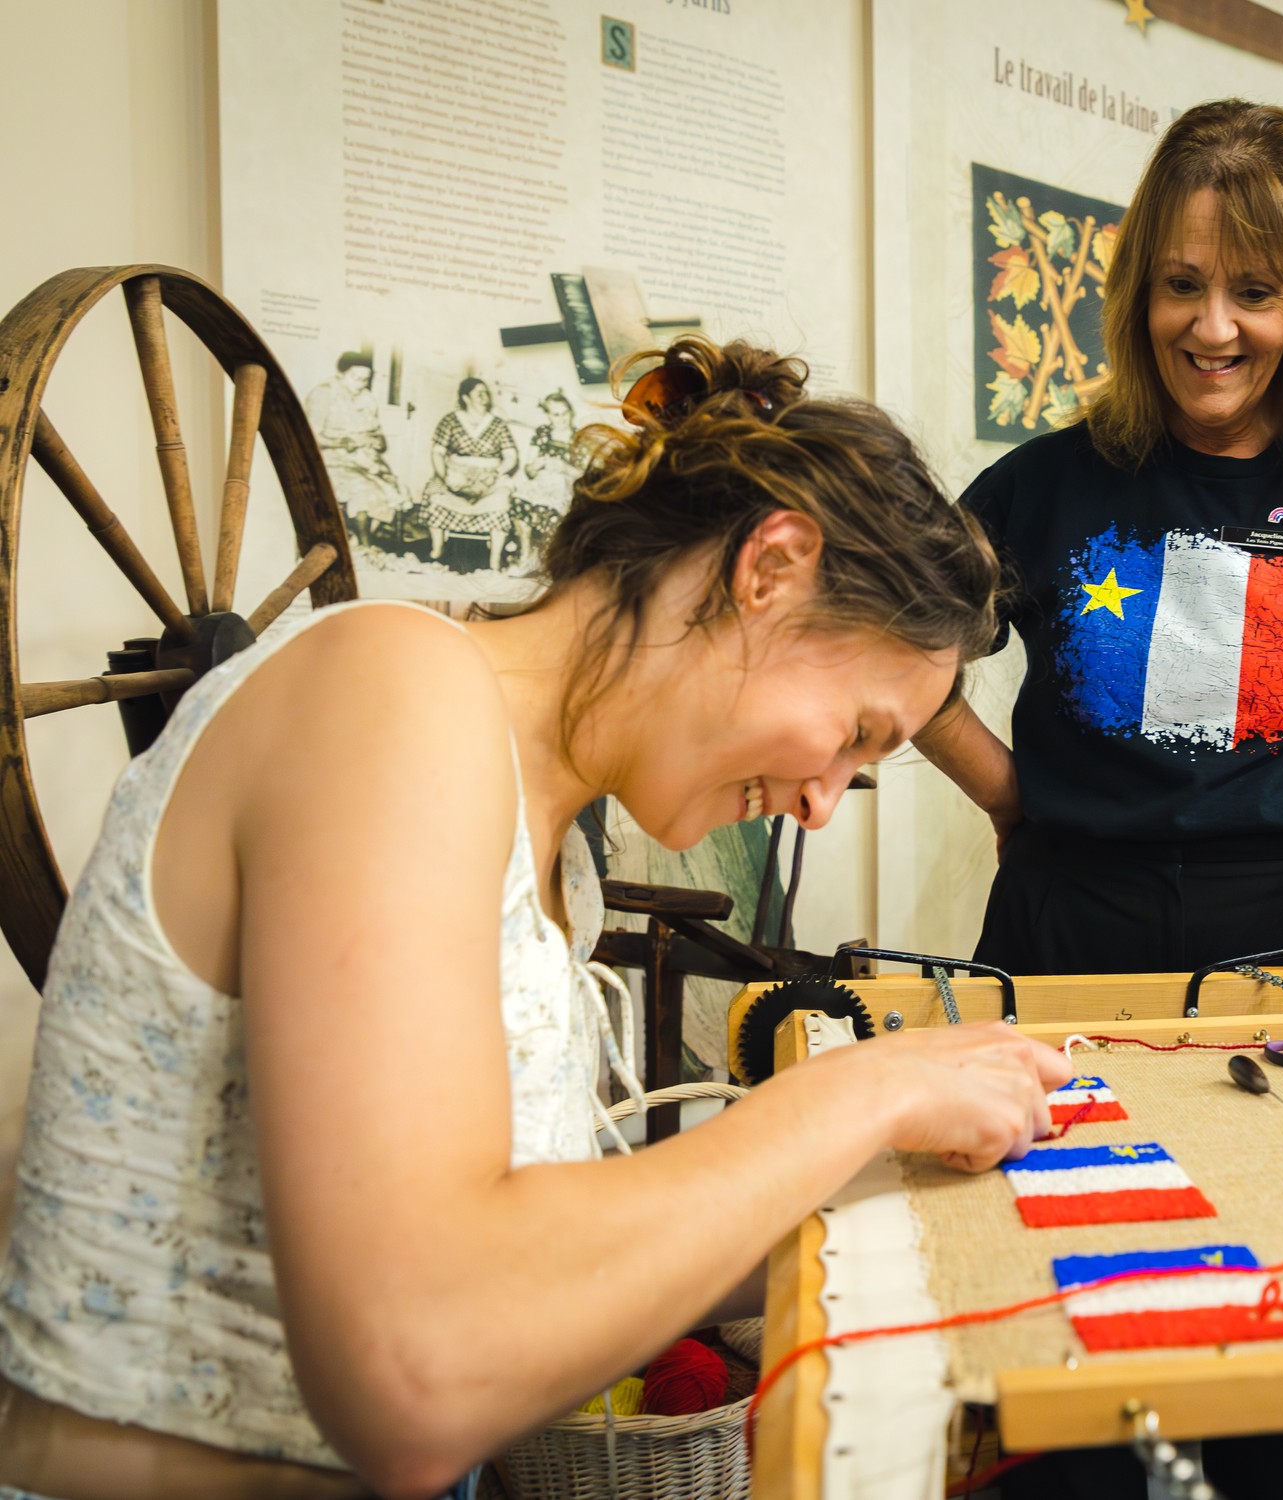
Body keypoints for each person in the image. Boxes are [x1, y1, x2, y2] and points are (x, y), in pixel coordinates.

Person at [0, 337, 1070, 1500]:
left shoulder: (557, 855)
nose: (821, 804)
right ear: (771, 569)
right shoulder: (389, 689)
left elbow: (538, 1263)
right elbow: (415, 1371)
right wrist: (860, 1092)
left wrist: (892, 1189)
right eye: (857, 733)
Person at [920, 99, 1283, 993]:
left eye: (1255, 293)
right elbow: (894, 644)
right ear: (1139, 291)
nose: (1213, 328)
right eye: (1182, 284)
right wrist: (1003, 791)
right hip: (1070, 920)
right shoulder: (1040, 483)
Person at [303, 351, 407, 552]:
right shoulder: (323, 394)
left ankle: (357, 542)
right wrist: (343, 442)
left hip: (363, 460)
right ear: (341, 373)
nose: (360, 384)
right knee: (364, 491)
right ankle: (362, 544)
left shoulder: (367, 399)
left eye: (365, 380)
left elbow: (379, 437)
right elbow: (310, 437)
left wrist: (378, 442)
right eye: (355, 378)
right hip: (329, 459)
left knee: (393, 491)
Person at [417, 377, 519, 572]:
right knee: (435, 492)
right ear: (465, 398)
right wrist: (444, 475)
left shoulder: (497, 424)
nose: (484, 397)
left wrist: (496, 473)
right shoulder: (450, 420)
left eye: (485, 393)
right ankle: (437, 548)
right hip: (456, 473)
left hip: (489, 476)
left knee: (502, 499)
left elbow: (511, 456)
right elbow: (437, 452)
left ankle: (494, 559)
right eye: (478, 393)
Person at [510, 389, 582, 571]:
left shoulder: (578, 436)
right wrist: (535, 466)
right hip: (540, 484)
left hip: (564, 485)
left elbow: (584, 474)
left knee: (549, 512)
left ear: (571, 412)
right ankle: (526, 556)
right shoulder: (542, 433)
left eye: (565, 413)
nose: (562, 418)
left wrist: (565, 468)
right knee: (518, 503)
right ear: (548, 415)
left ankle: (548, 560)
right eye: (556, 414)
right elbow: (529, 470)